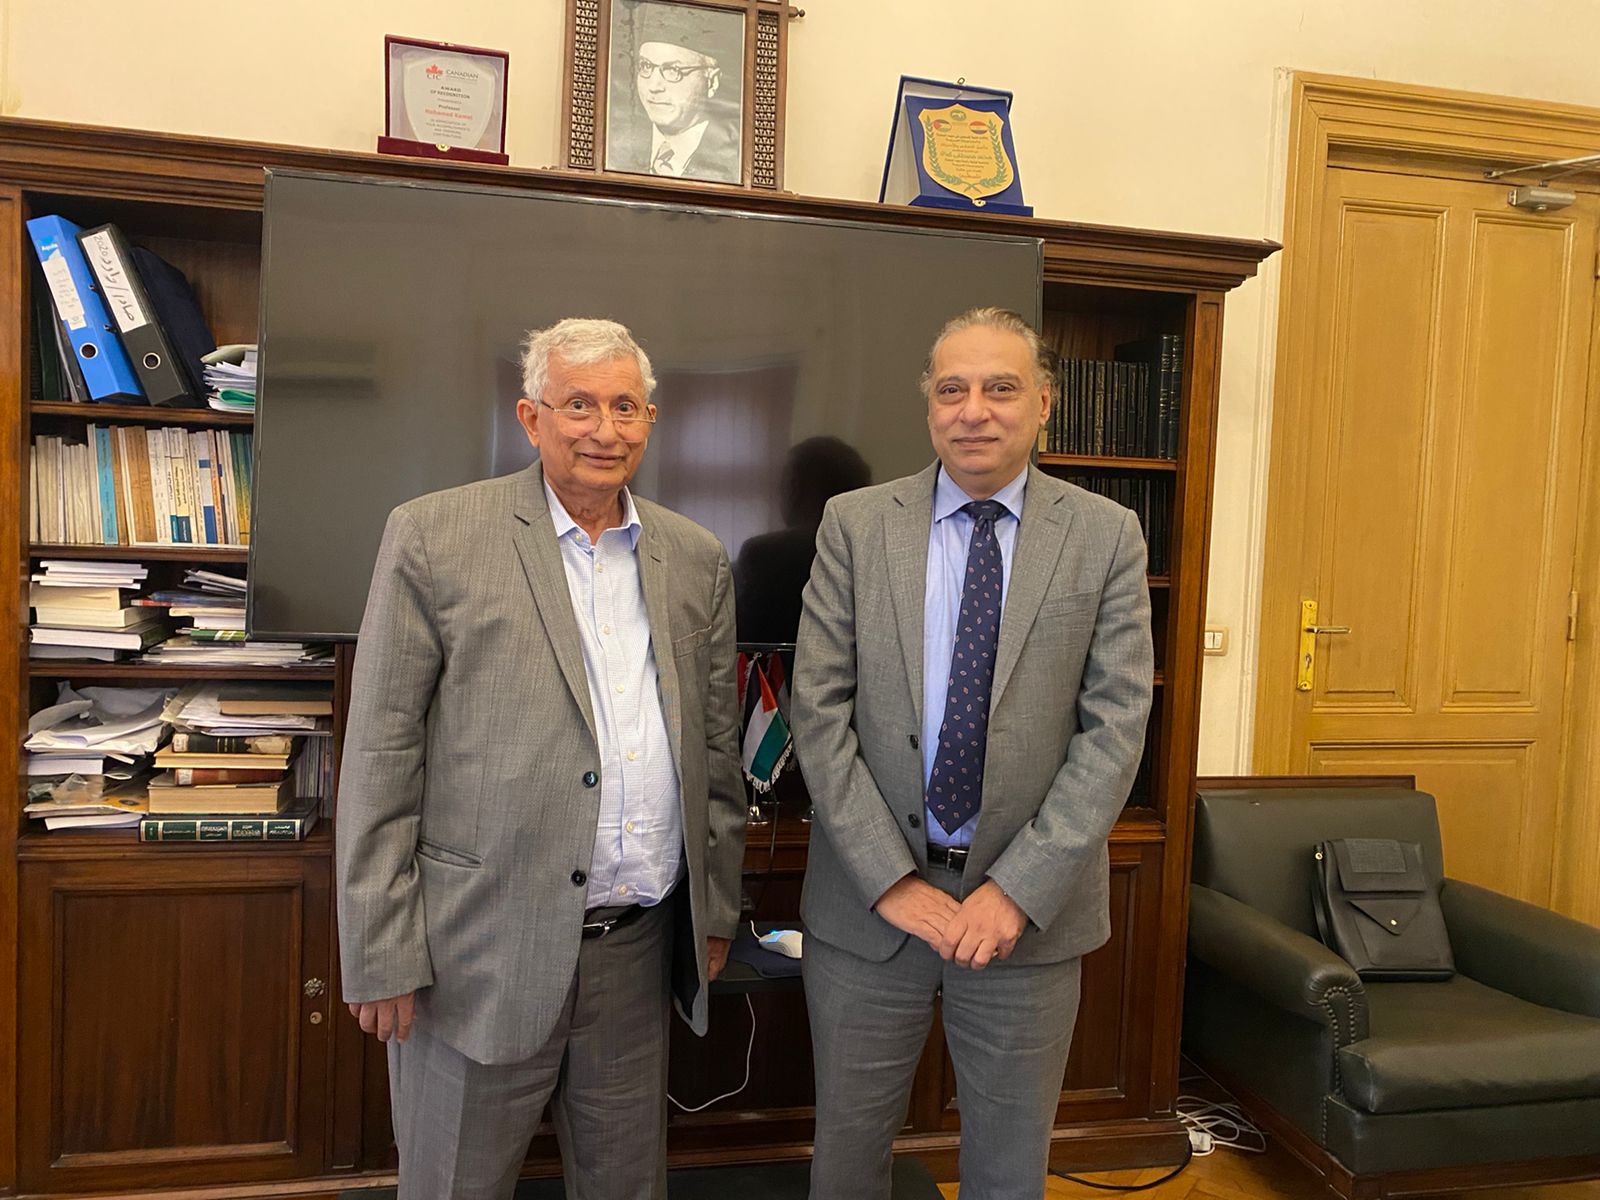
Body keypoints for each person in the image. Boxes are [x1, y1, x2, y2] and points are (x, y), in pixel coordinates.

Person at [336, 317, 747, 1200]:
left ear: (651, 420)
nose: (605, 429)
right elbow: (379, 752)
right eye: (579, 405)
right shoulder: (434, 535)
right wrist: (379, 951)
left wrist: (714, 911)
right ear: (531, 418)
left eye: (626, 406)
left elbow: (716, 752)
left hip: (635, 953)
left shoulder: (696, 557)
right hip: (474, 954)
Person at [792, 307, 1154, 1199]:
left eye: (1000, 388)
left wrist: (1018, 889)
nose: (974, 410)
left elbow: (1115, 728)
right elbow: (818, 712)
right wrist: (891, 881)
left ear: (1043, 403)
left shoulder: (1106, 533)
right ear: (929, 406)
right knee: (847, 1158)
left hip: (1026, 918)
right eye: (952, 389)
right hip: (868, 913)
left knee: (1008, 1168)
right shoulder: (855, 524)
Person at [610, 6, 741, 183]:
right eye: (646, 66)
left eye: (673, 70)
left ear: (712, 82)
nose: (654, 86)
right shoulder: (615, 148)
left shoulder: (736, 160)